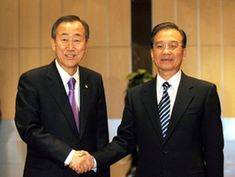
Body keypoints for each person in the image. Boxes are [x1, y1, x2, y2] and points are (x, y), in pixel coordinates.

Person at [78, 22, 224, 177]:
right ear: (152, 53)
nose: (166, 51)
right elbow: (124, 141)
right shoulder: (137, 95)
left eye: (173, 45)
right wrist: (94, 160)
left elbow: (213, 150)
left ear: (184, 52)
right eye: (160, 46)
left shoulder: (204, 92)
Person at [14, 15, 110, 177]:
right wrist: (70, 156)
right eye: (64, 39)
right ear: (53, 43)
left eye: (77, 40)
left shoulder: (94, 80)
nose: (70, 47)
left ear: (86, 44)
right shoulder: (32, 80)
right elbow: (29, 129)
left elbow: (100, 135)